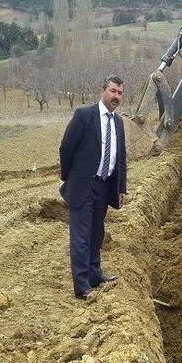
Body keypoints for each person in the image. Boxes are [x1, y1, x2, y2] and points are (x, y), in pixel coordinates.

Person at [59, 75, 127, 300]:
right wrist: (71, 177)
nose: (116, 96)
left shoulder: (118, 122)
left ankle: (95, 274)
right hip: (83, 187)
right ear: (103, 91)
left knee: (97, 233)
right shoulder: (84, 116)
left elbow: (121, 158)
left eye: (119, 93)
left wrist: (121, 187)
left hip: (104, 187)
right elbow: (66, 148)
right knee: (81, 237)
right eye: (112, 91)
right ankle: (81, 286)